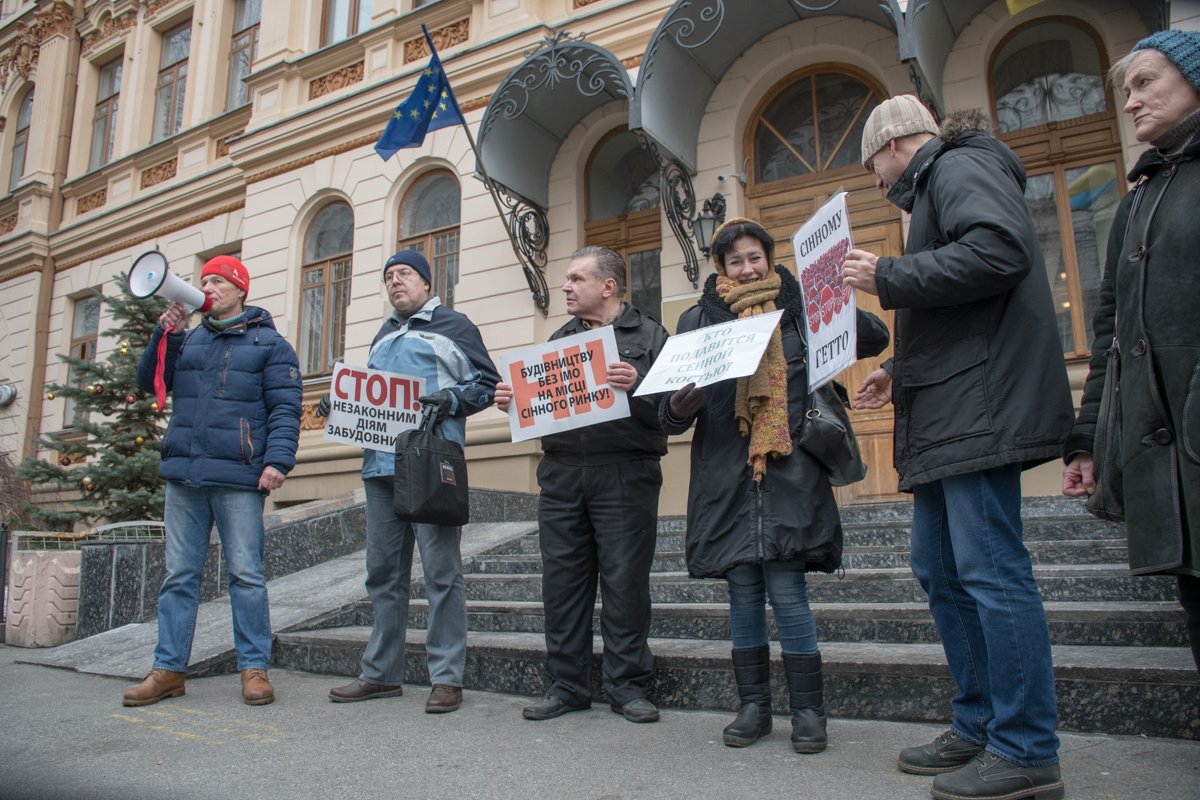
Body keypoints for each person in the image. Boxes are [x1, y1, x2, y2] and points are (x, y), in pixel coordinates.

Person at [841, 95, 1074, 800]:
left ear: (894, 145)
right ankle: (979, 724)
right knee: (939, 569)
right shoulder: (940, 184)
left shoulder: (960, 164)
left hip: (977, 412)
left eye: (872, 165)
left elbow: (998, 251)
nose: (876, 182)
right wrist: (896, 370)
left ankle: (1026, 747)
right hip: (948, 411)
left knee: (990, 573)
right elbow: (959, 312)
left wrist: (888, 277)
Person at [660, 218, 888, 754]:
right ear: (722, 267)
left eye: (755, 257)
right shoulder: (698, 319)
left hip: (790, 470)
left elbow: (874, 337)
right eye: (735, 260)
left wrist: (832, 296)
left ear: (770, 258)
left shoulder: (802, 305)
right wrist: (677, 405)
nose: (747, 267)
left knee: (789, 592)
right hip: (726, 475)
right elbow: (666, 413)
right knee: (742, 595)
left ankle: (809, 713)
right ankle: (753, 708)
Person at [1062, 29, 1200, 673]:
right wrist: (1087, 439)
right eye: (1126, 90)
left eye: (1147, 83)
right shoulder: (1138, 198)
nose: (1132, 102)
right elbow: (1112, 329)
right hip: (1163, 444)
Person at [494, 246, 668, 724]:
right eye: (567, 280)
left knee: (625, 582)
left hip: (626, 473)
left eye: (575, 279)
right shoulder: (558, 341)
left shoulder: (650, 334)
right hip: (563, 475)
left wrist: (639, 381)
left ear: (607, 287)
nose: (566, 287)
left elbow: (676, 412)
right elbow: (543, 409)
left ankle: (627, 686)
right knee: (563, 584)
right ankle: (567, 686)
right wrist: (513, 402)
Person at [124, 255, 302, 707]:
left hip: (240, 476)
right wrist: (165, 332)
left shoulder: (270, 344)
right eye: (203, 281)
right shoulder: (190, 339)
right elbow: (151, 382)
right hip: (185, 473)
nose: (208, 287)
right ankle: (168, 670)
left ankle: (254, 669)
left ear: (241, 289)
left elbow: (285, 407)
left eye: (217, 281)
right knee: (179, 576)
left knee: (245, 575)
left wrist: (278, 461)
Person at [327, 250, 498, 713]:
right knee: (382, 573)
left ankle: (447, 678)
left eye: (404, 274)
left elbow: (487, 384)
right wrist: (339, 405)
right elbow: (370, 395)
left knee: (441, 573)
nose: (395, 282)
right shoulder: (383, 335)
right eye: (388, 277)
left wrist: (452, 399)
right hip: (380, 467)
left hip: (430, 464)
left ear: (426, 282)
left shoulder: (454, 326)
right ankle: (381, 674)